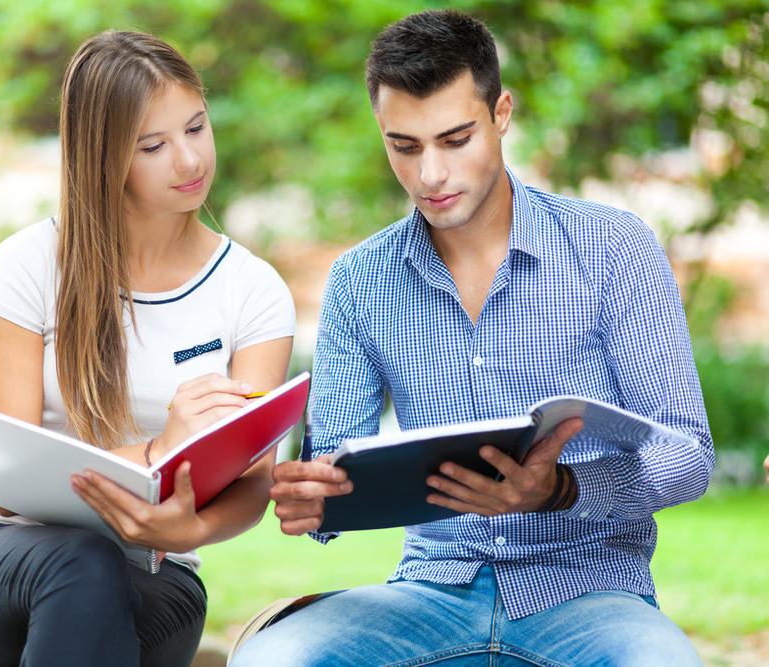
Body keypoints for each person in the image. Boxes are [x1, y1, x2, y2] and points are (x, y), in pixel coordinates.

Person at [230, 9, 713, 667]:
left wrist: (559, 489)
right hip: (430, 592)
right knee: (269, 659)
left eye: (455, 139)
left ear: (501, 113)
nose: (431, 174)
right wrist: (315, 498)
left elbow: (687, 455)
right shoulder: (358, 280)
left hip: (591, 594)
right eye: (405, 146)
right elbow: (339, 457)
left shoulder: (613, 248)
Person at [0, 30, 295, 667]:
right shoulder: (26, 265)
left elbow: (255, 479)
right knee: (84, 563)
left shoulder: (253, 290)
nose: (189, 160)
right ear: (104, 157)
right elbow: (10, 483)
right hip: (2, 560)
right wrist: (159, 450)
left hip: (156, 573)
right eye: (154, 146)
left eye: (197, 127)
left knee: (97, 586)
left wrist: (193, 528)